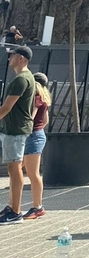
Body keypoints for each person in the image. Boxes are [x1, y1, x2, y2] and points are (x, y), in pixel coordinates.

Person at [0, 46, 36, 224]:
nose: (9, 59)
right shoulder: (26, 77)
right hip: (15, 129)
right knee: (13, 169)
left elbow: (7, 107)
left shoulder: (21, 79)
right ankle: (12, 206)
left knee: (14, 169)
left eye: (12, 56)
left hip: (15, 130)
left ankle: (15, 212)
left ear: (21, 58)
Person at [22, 71, 51, 220]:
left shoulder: (35, 98)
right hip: (38, 134)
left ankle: (37, 207)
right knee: (22, 170)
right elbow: (45, 120)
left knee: (32, 173)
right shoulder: (44, 98)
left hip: (31, 135)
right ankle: (35, 206)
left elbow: (29, 118)